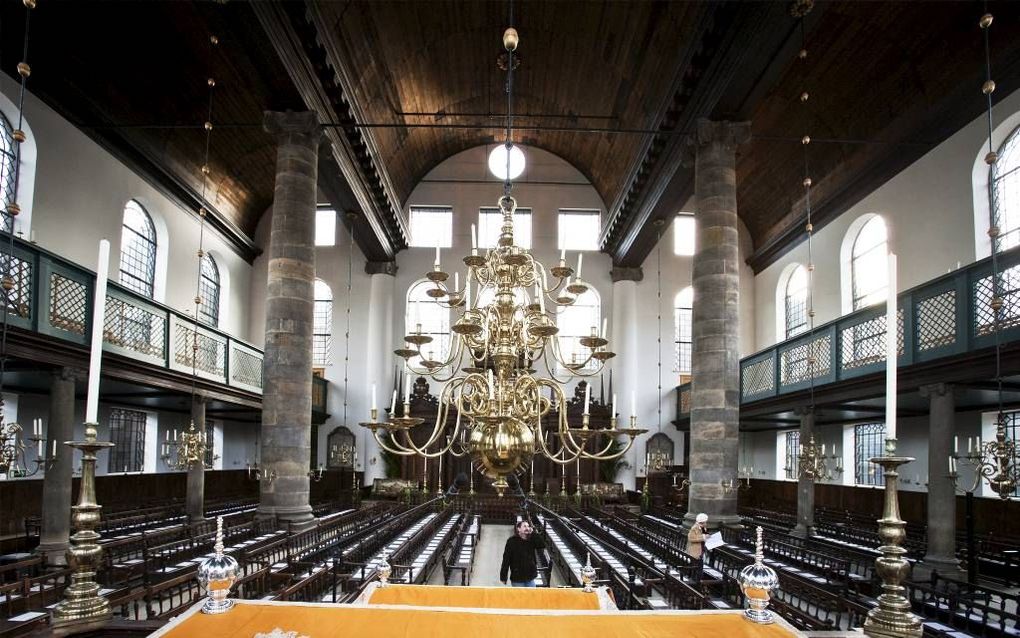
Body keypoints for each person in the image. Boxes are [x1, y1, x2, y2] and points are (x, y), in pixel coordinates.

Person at [500, 519, 546, 587]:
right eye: (524, 526)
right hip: (517, 577)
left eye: (528, 526)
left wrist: (533, 533)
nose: (527, 528)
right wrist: (503, 576)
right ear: (518, 529)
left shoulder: (531, 539)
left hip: (530, 577)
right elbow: (506, 559)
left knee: (532, 596)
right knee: (519, 597)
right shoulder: (512, 541)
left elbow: (542, 545)